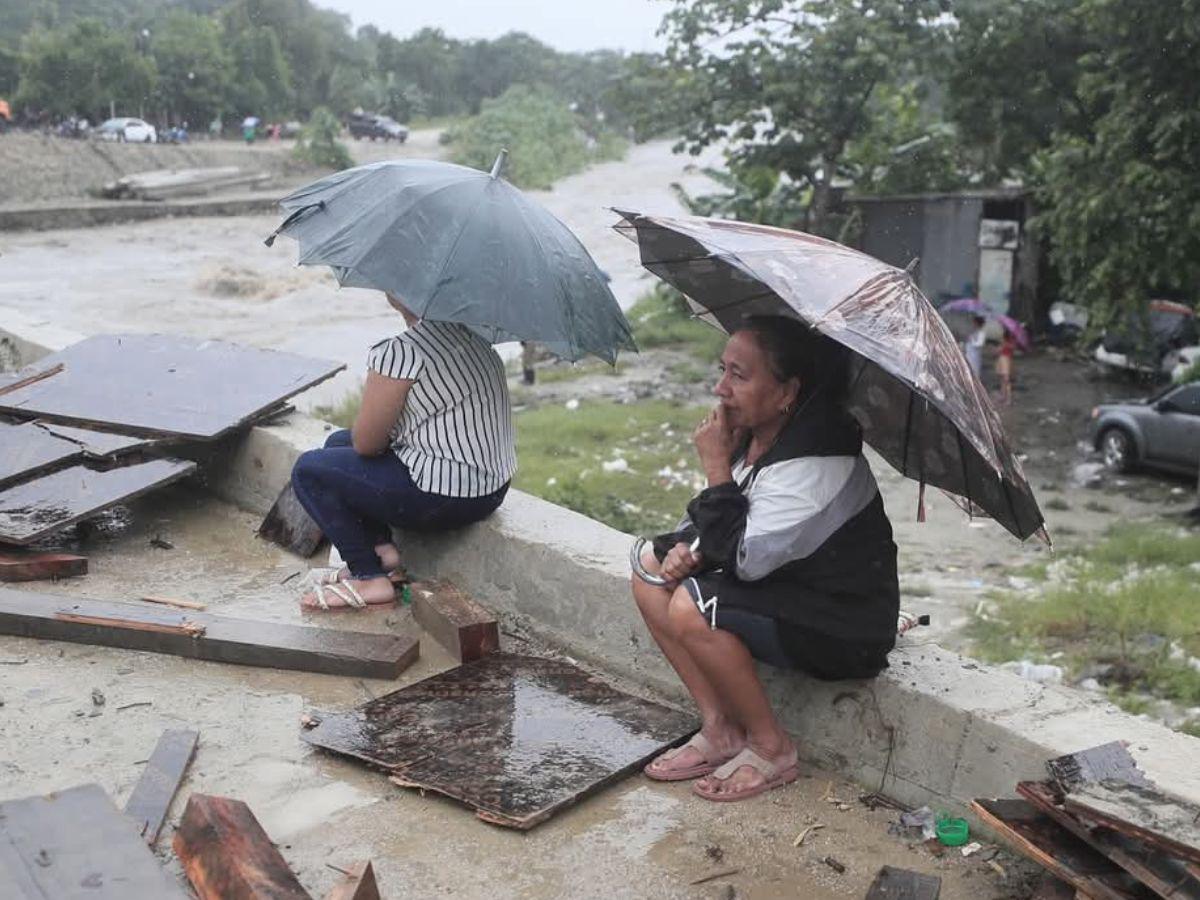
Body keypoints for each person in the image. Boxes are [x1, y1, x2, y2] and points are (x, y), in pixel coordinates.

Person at [631, 315, 899, 802]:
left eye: (739, 375)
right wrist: (683, 552)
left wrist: (715, 467)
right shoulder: (758, 437)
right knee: (651, 570)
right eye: (723, 370)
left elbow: (748, 558)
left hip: (843, 623)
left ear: (787, 392)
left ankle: (773, 748)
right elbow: (720, 530)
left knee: (694, 606)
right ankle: (721, 730)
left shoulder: (817, 464)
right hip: (787, 588)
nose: (720, 389)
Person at [291, 293, 516, 610]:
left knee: (310, 470)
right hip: (490, 489)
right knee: (336, 444)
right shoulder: (476, 341)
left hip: (443, 499)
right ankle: (383, 552)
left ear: (395, 295)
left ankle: (368, 576)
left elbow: (368, 444)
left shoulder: (400, 352)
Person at [964, 314, 986, 380]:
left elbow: (979, 344)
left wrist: (971, 340)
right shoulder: (973, 332)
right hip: (969, 355)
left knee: (975, 373)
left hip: (975, 357)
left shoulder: (982, 333)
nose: (973, 324)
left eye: (974, 322)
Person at [996, 330, 1016, 405]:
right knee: (1004, 380)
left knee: (1006, 381)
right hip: (1007, 360)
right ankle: (1003, 396)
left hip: (1004, 361)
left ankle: (1008, 399)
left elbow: (998, 351)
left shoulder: (1005, 343)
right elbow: (1013, 350)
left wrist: (1002, 345)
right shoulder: (1012, 342)